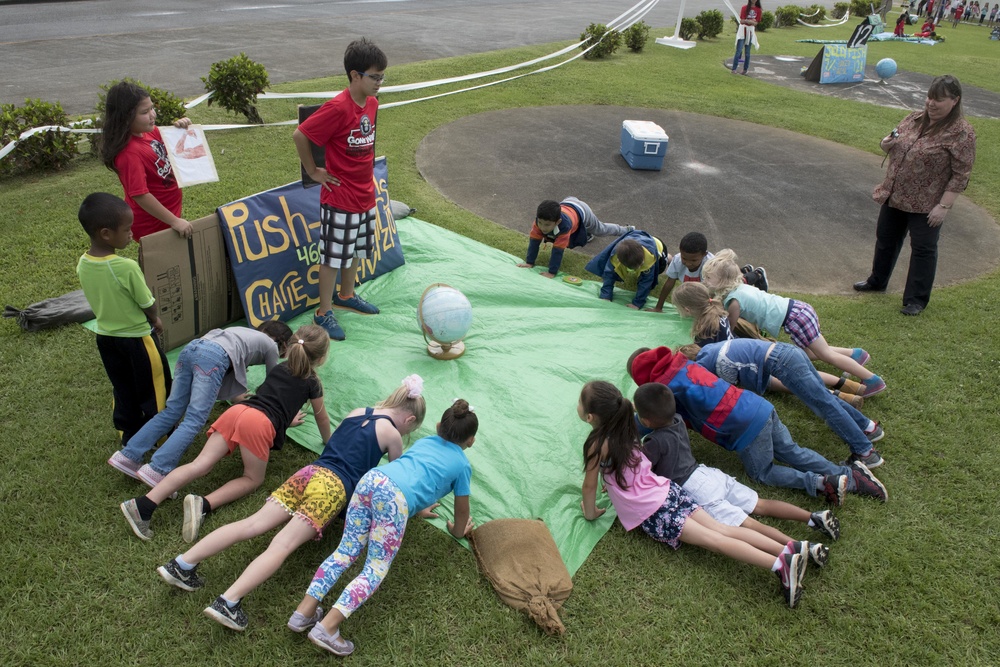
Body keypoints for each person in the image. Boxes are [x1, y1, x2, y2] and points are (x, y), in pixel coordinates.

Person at [157, 375, 427, 632]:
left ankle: (182, 563)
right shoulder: (392, 435)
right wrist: (419, 506)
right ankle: (228, 602)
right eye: (409, 430)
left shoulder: (357, 411)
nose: (404, 433)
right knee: (282, 544)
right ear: (409, 418)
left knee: (251, 524)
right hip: (332, 488)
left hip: (309, 473)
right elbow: (395, 481)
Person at [578, 381, 809, 608]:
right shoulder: (626, 424)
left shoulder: (596, 444)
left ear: (589, 417)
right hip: (669, 491)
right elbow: (630, 462)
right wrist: (613, 481)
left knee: (716, 541)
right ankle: (785, 550)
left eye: (580, 402)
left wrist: (590, 513)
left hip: (654, 509)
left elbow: (588, 487)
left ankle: (781, 565)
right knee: (723, 530)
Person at [293, 399, 478, 656]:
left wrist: (414, 506)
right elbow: (461, 510)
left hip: (372, 481)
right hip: (394, 500)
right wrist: (459, 531)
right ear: (471, 440)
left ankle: (304, 612)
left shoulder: (425, 442)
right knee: (375, 568)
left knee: (345, 551)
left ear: (438, 426)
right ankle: (328, 628)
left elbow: (411, 474)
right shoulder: (462, 466)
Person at [120, 325, 332, 541]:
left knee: (199, 464)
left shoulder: (279, 369)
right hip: (258, 423)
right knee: (252, 478)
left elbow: (272, 398)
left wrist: (286, 419)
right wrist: (329, 442)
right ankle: (203, 504)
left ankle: (144, 505)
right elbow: (321, 417)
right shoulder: (312, 382)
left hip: (237, 411)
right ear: (322, 358)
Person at [627, 346, 889, 504]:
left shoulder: (668, 391)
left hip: (745, 428)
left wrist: (630, 429)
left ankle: (821, 482)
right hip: (759, 407)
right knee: (791, 451)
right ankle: (850, 475)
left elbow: (657, 419)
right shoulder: (686, 365)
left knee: (762, 472)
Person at [633, 382, 839, 555]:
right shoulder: (677, 420)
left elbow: (639, 471)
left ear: (645, 420)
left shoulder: (654, 442)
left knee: (750, 525)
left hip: (696, 490)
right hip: (708, 474)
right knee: (762, 505)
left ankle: (802, 548)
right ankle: (813, 517)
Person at [108, 322, 292, 487]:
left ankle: (128, 456)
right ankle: (158, 469)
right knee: (195, 419)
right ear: (284, 344)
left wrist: (238, 398)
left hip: (191, 349)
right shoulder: (271, 347)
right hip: (212, 357)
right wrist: (285, 415)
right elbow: (273, 382)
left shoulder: (243, 333)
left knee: (172, 410)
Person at [854, 75, 977, 316]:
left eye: (939, 100)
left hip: (927, 204)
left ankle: (916, 300)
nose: (931, 103)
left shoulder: (961, 132)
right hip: (895, 195)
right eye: (930, 97)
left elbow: (961, 174)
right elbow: (890, 140)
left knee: (923, 249)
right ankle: (877, 281)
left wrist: (944, 206)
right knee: (886, 239)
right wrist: (885, 144)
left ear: (955, 100)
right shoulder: (914, 118)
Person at [293, 38, 387, 341]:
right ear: (354, 76)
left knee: (357, 250)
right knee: (333, 257)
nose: (379, 83)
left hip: (363, 194)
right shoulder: (337, 107)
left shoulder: (371, 103)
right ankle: (323, 312)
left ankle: (347, 295)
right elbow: (301, 135)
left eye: (382, 76)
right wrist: (313, 171)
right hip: (340, 197)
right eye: (374, 77)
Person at [703, 249, 887, 396]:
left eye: (708, 278)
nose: (705, 281)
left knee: (825, 354)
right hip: (798, 310)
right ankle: (855, 355)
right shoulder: (739, 288)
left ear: (722, 281)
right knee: (808, 352)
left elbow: (729, 330)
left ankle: (872, 380)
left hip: (795, 319)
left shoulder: (733, 301)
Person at [678, 340, 884, 468]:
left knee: (825, 407)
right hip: (786, 351)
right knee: (825, 398)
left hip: (781, 362)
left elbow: (721, 391)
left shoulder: (703, 364)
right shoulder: (712, 349)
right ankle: (868, 427)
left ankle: (866, 452)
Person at [671, 281, 868, 408]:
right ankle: (849, 385)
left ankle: (842, 397)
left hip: (744, 366)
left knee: (792, 384)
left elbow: (702, 359)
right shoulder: (718, 311)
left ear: (688, 309)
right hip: (749, 350)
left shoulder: (704, 329)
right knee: (801, 374)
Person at [77, 193, 171, 451]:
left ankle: (128, 434)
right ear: (106, 233)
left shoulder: (83, 264)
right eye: (127, 229)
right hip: (138, 340)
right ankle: (162, 439)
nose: (132, 233)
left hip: (106, 339)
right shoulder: (125, 266)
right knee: (156, 388)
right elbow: (147, 302)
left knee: (123, 388)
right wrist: (156, 318)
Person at [99, 81, 193, 241]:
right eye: (145, 112)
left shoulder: (150, 132)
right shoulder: (129, 153)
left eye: (152, 108)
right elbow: (140, 195)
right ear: (125, 117)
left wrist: (180, 128)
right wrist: (174, 221)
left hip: (169, 214)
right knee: (161, 263)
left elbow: (174, 148)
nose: (153, 115)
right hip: (152, 224)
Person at [517, 197, 633, 277]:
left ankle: (626, 229)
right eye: (541, 223)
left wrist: (552, 272)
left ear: (558, 222)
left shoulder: (564, 226)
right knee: (556, 235)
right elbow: (534, 242)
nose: (542, 227)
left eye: (547, 225)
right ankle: (587, 234)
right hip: (568, 202)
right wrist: (529, 262)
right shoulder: (539, 222)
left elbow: (558, 250)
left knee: (600, 230)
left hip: (582, 210)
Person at [584, 229, 669, 310]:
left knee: (660, 269)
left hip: (658, 246)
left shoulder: (649, 257)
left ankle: (670, 258)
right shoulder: (615, 258)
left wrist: (637, 303)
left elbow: (646, 283)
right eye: (635, 267)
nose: (639, 268)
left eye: (641, 264)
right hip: (640, 242)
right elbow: (609, 275)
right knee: (611, 272)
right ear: (620, 262)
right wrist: (605, 296)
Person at [648, 232, 714, 312]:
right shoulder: (677, 260)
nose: (688, 263)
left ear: (704, 255)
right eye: (684, 258)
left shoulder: (711, 265)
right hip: (693, 292)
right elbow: (669, 284)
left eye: (694, 260)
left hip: (709, 291)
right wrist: (658, 307)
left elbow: (712, 291)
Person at [731, 0, 761, 75]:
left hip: (750, 32)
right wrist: (750, 21)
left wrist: (750, 22)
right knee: (739, 50)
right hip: (742, 31)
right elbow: (742, 21)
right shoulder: (744, 8)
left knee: (747, 52)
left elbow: (756, 22)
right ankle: (734, 69)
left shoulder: (758, 10)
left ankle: (745, 69)